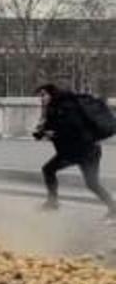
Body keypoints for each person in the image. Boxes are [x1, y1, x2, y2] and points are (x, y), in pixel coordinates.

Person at [33, 83, 116, 217]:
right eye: (40, 96)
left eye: (43, 95)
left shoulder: (67, 107)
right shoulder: (53, 109)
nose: (41, 99)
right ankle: (52, 202)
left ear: (51, 94)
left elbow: (76, 131)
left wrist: (54, 134)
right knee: (50, 170)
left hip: (87, 151)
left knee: (91, 183)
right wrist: (41, 133)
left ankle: (53, 202)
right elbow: (50, 128)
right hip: (74, 152)